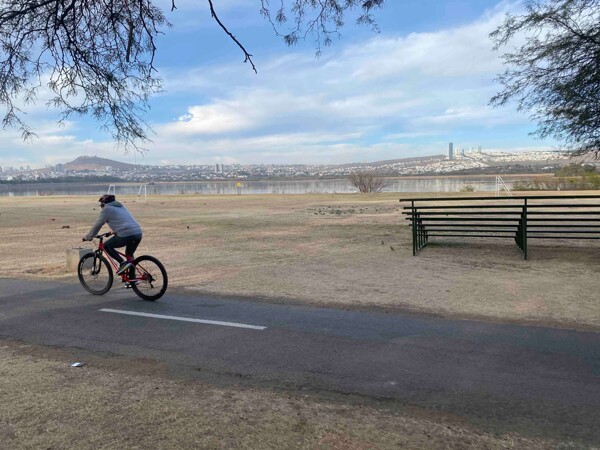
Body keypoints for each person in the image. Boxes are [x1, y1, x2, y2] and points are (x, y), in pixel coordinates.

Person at [83, 194, 143, 275]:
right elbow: (124, 222)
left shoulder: (107, 209)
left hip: (126, 234)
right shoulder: (121, 207)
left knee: (106, 246)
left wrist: (89, 237)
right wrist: (112, 232)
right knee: (129, 256)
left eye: (101, 204)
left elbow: (98, 224)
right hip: (138, 232)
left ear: (104, 203)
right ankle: (132, 279)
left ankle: (122, 263)